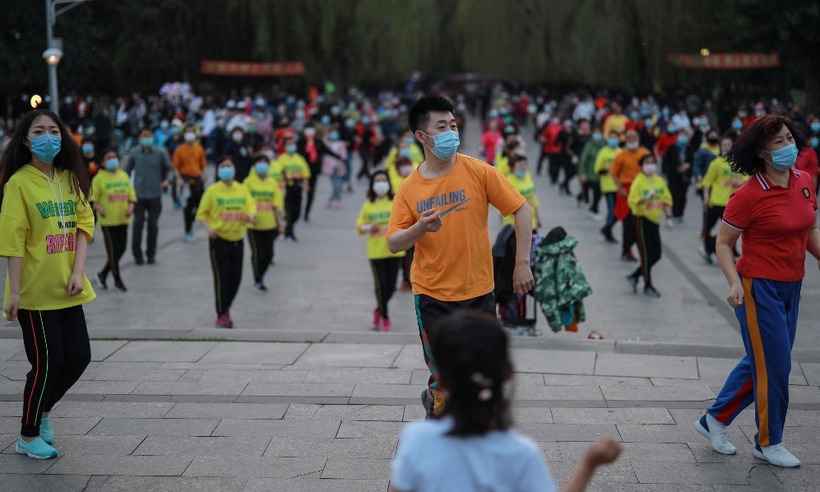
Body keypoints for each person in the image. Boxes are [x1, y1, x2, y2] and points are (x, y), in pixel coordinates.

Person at [387, 96, 533, 418]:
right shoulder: (409, 188)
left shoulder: (479, 172)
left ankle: (472, 426)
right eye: (442, 126)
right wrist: (418, 229)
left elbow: (521, 210)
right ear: (422, 136)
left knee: (482, 370)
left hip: (479, 291)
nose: (451, 131)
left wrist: (521, 263)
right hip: (432, 295)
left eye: (453, 125)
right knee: (445, 373)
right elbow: (393, 242)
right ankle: (437, 418)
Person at [696, 115, 820, 469]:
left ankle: (713, 420)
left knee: (762, 363)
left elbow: (809, 230)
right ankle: (768, 442)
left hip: (792, 285)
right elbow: (722, 243)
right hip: (757, 287)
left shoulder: (805, 181)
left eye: (789, 138)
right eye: (778, 143)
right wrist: (733, 281)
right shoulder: (748, 195)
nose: (788, 147)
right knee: (776, 366)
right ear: (762, 152)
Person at [389, 311, 623, 492]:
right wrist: (589, 463)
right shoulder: (520, 454)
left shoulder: (417, 439)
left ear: (440, 377)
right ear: (508, 374)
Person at [0, 109, 95, 460]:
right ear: (25, 140)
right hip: (35, 294)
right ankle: (27, 435)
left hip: (68, 288)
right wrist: (14, 291)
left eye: (53, 130)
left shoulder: (69, 177)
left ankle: (40, 413)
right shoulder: (19, 183)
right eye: (39, 130)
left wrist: (77, 271)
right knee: (47, 363)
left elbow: (84, 224)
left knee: (80, 358)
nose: (48, 137)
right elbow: (13, 240)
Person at [196, 159, 256, 328]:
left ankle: (226, 307)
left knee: (236, 278)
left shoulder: (242, 190)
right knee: (221, 278)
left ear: (234, 169)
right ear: (218, 171)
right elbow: (202, 213)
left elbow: (251, 207)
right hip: (218, 240)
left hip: (237, 239)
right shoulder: (212, 191)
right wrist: (209, 228)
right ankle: (222, 314)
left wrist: (250, 216)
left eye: (229, 166)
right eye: (223, 166)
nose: (226, 169)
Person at [357, 170, 405, 332]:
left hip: (394, 250)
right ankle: (385, 317)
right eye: (377, 180)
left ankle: (378, 309)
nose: (381, 183)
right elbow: (359, 226)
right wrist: (370, 227)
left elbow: (405, 221)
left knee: (390, 287)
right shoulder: (368, 204)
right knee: (380, 286)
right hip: (375, 252)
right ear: (372, 184)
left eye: (383, 180)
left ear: (389, 183)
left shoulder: (396, 202)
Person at [626, 154, 672, 298]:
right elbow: (632, 200)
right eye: (647, 162)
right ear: (642, 165)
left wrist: (668, 214)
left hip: (655, 220)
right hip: (641, 220)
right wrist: (644, 198)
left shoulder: (659, 181)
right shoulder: (638, 181)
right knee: (645, 254)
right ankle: (648, 285)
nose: (650, 165)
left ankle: (635, 275)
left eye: (652, 162)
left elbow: (666, 198)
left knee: (656, 254)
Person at [124, 128, 171, 265]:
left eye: (148, 137)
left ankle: (151, 254)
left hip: (155, 194)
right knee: (137, 224)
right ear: (140, 139)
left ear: (152, 138)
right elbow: (126, 171)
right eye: (144, 137)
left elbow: (168, 168)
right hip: (138, 195)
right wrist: (127, 188)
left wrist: (165, 179)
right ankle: (137, 255)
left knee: (153, 225)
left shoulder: (160, 152)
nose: (146, 139)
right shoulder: (134, 152)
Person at [91, 149, 136, 292]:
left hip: (123, 219)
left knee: (121, 249)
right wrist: (99, 208)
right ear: (103, 162)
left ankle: (102, 274)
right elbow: (93, 199)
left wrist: (131, 207)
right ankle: (117, 280)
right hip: (108, 222)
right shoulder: (99, 178)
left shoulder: (123, 175)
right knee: (112, 252)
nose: (112, 159)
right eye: (109, 157)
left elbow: (131, 196)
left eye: (114, 157)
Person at [700, 134, 747, 264]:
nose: (726, 147)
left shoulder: (738, 163)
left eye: (729, 145)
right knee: (709, 228)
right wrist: (705, 198)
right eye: (724, 145)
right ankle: (708, 250)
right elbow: (707, 182)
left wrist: (740, 182)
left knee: (731, 230)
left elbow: (746, 179)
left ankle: (731, 251)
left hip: (732, 203)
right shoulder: (716, 163)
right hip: (716, 201)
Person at [244, 155, 285, 291]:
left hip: (270, 224)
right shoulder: (248, 183)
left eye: (265, 163)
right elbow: (243, 202)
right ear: (254, 166)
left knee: (269, 254)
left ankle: (261, 275)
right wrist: (249, 215)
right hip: (253, 225)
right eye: (259, 163)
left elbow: (277, 205)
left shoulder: (272, 183)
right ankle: (258, 279)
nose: (262, 165)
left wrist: (280, 223)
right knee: (257, 253)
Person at [610, 129, 650, 262]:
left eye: (634, 137)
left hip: (642, 191)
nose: (632, 140)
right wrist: (620, 188)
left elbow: (650, 171)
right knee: (628, 223)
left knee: (641, 222)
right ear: (626, 140)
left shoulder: (644, 153)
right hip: (626, 191)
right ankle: (626, 250)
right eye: (629, 138)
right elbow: (614, 174)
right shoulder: (621, 156)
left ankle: (638, 248)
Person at [172, 126, 207, 242]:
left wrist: (204, 175)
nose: (190, 135)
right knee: (187, 207)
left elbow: (203, 165)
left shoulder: (199, 148)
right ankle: (188, 230)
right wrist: (179, 179)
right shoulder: (179, 150)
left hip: (198, 180)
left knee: (200, 205)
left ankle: (194, 221)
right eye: (188, 133)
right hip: (185, 180)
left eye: (192, 132)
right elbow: (176, 167)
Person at [276, 138, 311, 241]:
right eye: (289, 145)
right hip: (287, 188)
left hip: (298, 187)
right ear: (285, 147)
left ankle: (288, 229)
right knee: (288, 211)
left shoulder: (299, 158)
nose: (291, 146)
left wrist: (306, 184)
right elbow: (278, 173)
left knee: (297, 212)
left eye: (292, 144)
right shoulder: (281, 159)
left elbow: (306, 173)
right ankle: (290, 232)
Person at [662, 128, 693, 225]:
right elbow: (665, 161)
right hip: (673, 176)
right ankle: (674, 214)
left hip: (685, 177)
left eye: (685, 136)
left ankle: (680, 214)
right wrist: (673, 169)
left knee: (683, 196)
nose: (683, 138)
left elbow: (692, 161)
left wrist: (688, 166)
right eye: (681, 135)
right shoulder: (672, 147)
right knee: (673, 195)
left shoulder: (689, 148)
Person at [594, 133, 621, 243]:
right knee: (611, 210)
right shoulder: (603, 152)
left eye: (615, 138)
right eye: (611, 138)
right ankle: (608, 232)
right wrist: (606, 170)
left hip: (619, 186)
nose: (613, 140)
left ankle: (606, 228)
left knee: (619, 212)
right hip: (608, 186)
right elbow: (597, 169)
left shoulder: (620, 152)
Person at [503, 155, 540, 231]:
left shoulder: (527, 176)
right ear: (512, 167)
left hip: (531, 222)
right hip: (514, 224)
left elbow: (533, 200)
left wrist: (537, 218)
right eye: (520, 165)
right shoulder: (507, 182)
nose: (524, 167)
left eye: (525, 164)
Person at [577, 127, 604, 217]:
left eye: (599, 133)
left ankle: (592, 206)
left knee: (599, 193)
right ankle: (594, 209)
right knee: (593, 190)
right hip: (590, 173)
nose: (598, 135)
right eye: (596, 133)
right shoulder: (589, 144)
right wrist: (582, 173)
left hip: (601, 174)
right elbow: (583, 159)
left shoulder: (604, 144)